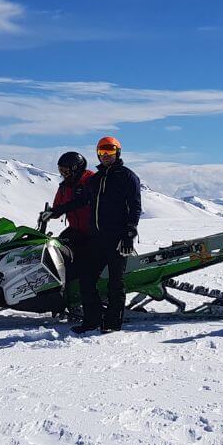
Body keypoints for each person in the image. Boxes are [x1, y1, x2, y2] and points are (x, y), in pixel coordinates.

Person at [44, 136, 141, 334]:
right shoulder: (96, 179)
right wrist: (57, 211)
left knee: (116, 282)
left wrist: (129, 233)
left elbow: (135, 207)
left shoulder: (127, 176)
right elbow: (81, 200)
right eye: (102, 152)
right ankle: (92, 321)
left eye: (110, 152)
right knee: (87, 280)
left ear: (118, 153)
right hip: (96, 238)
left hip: (117, 238)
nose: (106, 156)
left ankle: (112, 324)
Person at [51, 152, 94, 276]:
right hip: (76, 229)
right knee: (58, 248)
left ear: (76, 169)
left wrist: (62, 209)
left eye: (66, 171)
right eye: (61, 171)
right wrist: (50, 213)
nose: (63, 175)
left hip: (95, 229)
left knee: (83, 258)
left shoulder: (91, 180)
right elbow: (57, 207)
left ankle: (85, 285)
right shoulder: (64, 187)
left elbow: (84, 200)